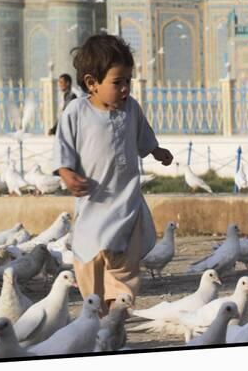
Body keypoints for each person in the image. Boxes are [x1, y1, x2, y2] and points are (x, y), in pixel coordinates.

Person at [53, 34, 173, 315]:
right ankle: (97, 312)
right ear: (92, 83)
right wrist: (66, 173)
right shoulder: (76, 112)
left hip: (126, 205)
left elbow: (143, 135)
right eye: (117, 82)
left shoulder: (131, 109)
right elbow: (63, 147)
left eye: (128, 82)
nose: (125, 89)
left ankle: (116, 310)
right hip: (93, 207)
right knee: (89, 264)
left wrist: (156, 151)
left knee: (124, 267)